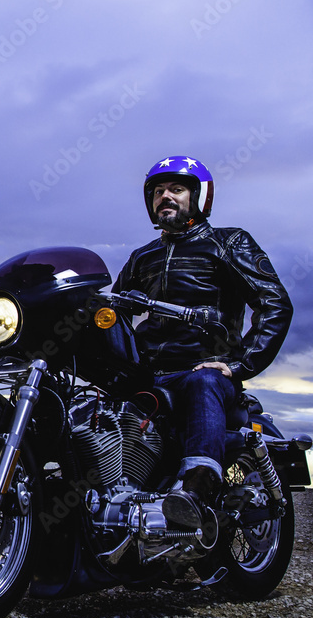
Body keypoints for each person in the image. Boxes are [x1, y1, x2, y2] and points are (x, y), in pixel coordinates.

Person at [113, 155, 292, 529]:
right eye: (158, 191)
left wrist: (241, 365)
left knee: (203, 380)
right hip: (149, 375)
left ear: (198, 197)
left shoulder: (228, 243)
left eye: (176, 189)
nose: (165, 196)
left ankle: (199, 486)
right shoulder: (141, 258)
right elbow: (110, 315)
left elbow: (274, 302)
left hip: (203, 370)